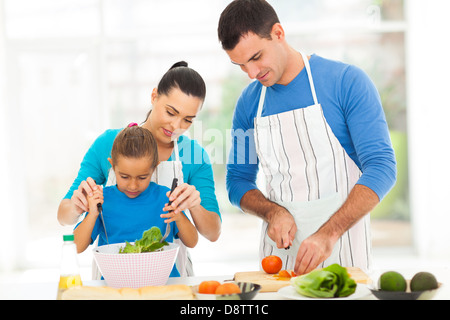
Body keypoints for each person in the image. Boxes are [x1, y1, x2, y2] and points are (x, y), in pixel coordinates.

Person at [218, 0, 396, 275]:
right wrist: (271, 212)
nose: (252, 73)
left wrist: (329, 233)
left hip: (343, 255)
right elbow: (236, 181)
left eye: (255, 58)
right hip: (279, 265)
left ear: (278, 33)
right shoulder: (249, 103)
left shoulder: (346, 82)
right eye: (240, 65)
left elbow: (382, 168)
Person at [58, 61, 221, 276]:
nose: (176, 127)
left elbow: (212, 233)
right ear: (154, 96)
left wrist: (194, 207)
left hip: (171, 276)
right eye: (171, 112)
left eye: (187, 120)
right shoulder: (108, 143)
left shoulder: (194, 155)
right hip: (112, 277)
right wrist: (78, 207)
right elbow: (63, 216)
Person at [74, 125, 198, 277]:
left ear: (154, 168)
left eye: (142, 177)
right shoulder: (102, 201)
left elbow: (192, 241)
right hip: (115, 287)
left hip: (163, 286)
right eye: (124, 177)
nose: (133, 185)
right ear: (112, 166)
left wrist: (178, 217)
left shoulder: (166, 197)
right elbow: (76, 247)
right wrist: (92, 214)